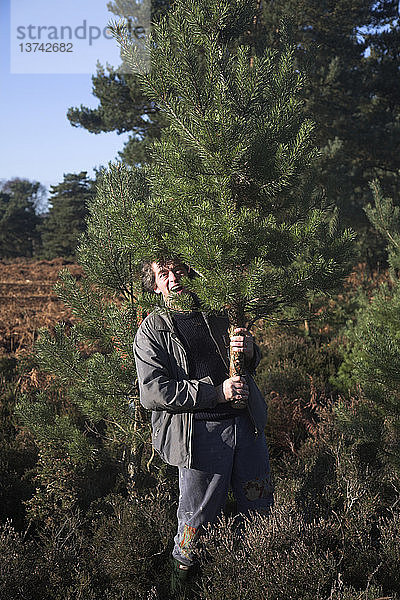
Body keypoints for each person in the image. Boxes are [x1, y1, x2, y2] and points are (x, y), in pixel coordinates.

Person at [133, 258, 273, 581]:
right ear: (155, 285)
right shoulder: (152, 330)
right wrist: (216, 393)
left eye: (177, 269)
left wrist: (250, 352)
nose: (173, 279)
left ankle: (255, 582)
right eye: (163, 274)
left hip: (247, 428)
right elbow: (154, 392)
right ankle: (181, 587)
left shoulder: (217, 312)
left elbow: (247, 364)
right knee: (195, 527)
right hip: (200, 439)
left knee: (260, 514)